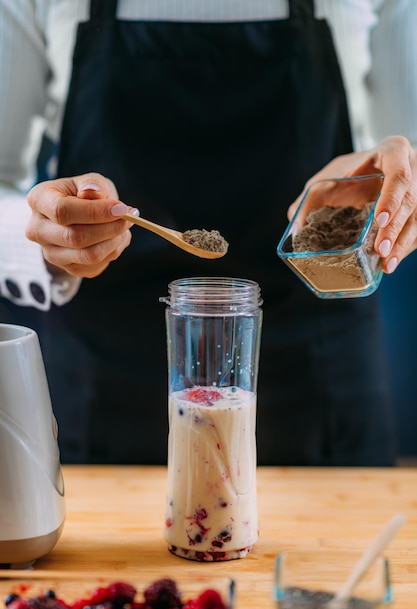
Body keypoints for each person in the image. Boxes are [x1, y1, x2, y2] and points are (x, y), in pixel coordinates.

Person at [0, 0, 416, 466]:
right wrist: (45, 230)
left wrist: (388, 185)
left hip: (319, 376)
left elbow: (409, 155)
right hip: (103, 381)